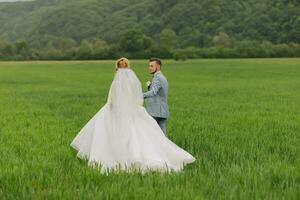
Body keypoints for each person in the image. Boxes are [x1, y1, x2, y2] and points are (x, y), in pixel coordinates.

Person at [70, 57, 195, 174]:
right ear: (128, 67)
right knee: (147, 134)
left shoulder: (116, 83)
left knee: (107, 132)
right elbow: (137, 98)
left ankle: (117, 157)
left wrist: (112, 108)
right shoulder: (133, 82)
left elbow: (111, 101)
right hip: (133, 110)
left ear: (117, 68)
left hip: (117, 111)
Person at [143, 58, 169, 136]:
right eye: (149, 66)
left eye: (151, 66)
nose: (149, 68)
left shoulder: (157, 78)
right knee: (163, 137)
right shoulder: (162, 77)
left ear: (157, 67)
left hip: (155, 112)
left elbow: (153, 92)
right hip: (162, 111)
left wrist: (139, 95)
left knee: (151, 136)